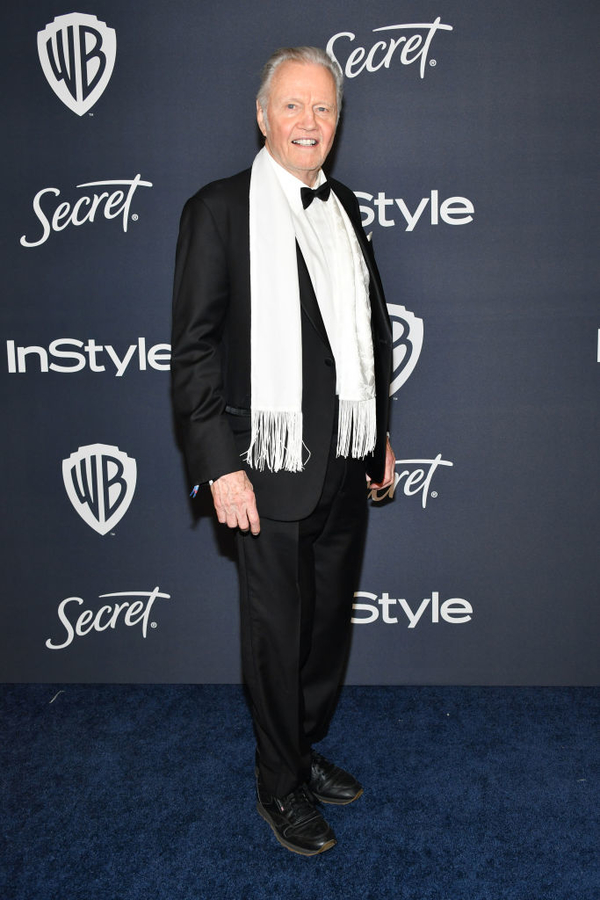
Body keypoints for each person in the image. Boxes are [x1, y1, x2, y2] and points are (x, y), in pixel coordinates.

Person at [171, 46, 395, 855]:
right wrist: (219, 464)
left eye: (323, 108)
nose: (309, 121)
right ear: (263, 116)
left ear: (338, 122)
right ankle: (278, 785)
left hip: (344, 454)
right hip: (264, 463)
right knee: (278, 633)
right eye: (293, 105)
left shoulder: (344, 206)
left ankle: (301, 748)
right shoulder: (218, 210)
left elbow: (367, 333)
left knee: (327, 626)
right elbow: (194, 350)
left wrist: (380, 434)